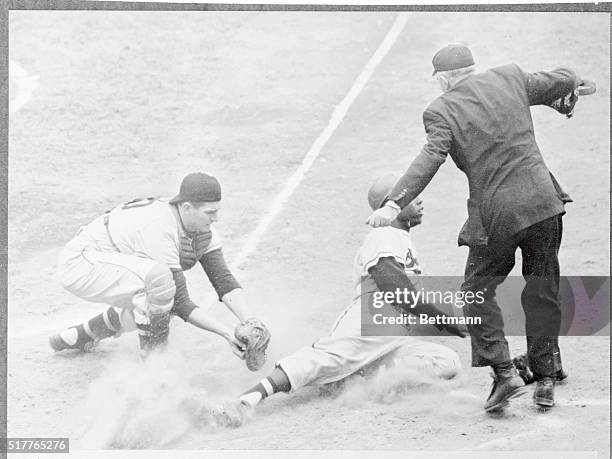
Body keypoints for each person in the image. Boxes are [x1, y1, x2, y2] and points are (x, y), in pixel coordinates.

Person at [366, 44, 582, 411]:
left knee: (475, 291)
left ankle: (504, 372)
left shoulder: (441, 110)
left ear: (446, 78)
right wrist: (572, 91)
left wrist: (393, 203)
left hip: (497, 216)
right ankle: (545, 379)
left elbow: (430, 158)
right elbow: (561, 79)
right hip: (545, 203)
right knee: (542, 286)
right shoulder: (510, 76)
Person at [238, 173, 465, 410]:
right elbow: (396, 288)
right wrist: (443, 319)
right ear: (392, 204)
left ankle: (351, 377)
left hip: (393, 335)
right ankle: (250, 397)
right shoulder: (383, 234)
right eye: (413, 195)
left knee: (445, 362)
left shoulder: (399, 238)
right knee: (325, 358)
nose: (420, 200)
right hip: (370, 320)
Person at [50, 172, 266, 362]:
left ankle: (82, 334)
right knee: (161, 288)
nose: (216, 218)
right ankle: (155, 365)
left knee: (161, 300)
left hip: (111, 261)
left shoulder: (196, 226)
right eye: (210, 212)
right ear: (187, 207)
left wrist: (250, 320)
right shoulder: (160, 228)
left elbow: (223, 280)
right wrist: (228, 334)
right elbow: (181, 304)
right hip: (82, 263)